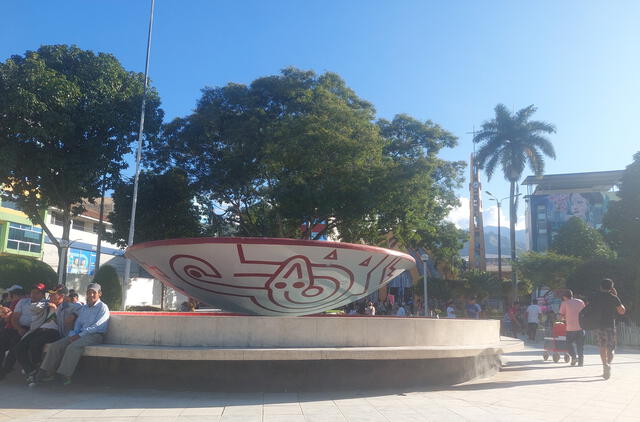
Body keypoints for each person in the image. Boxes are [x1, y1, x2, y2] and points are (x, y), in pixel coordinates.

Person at [32, 283, 110, 386]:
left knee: (73, 347)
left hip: (95, 335)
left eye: (93, 293)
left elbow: (98, 326)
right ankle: (46, 372)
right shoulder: (85, 307)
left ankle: (63, 376)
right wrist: (73, 334)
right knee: (56, 346)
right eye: (88, 292)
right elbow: (78, 323)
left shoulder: (103, 307)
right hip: (81, 334)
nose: (91, 295)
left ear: (99, 294)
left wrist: (79, 336)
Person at [0, 284, 44, 378]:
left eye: (37, 293)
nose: (33, 294)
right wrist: (19, 328)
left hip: (31, 330)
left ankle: (5, 370)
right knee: (1, 340)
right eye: (32, 292)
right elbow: (15, 317)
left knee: (14, 344)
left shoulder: (43, 304)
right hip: (17, 327)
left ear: (42, 295)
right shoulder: (23, 302)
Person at [588, 278, 625, 379]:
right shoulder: (613, 297)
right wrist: (616, 296)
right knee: (611, 347)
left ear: (600, 287)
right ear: (611, 287)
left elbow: (588, 308)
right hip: (609, 326)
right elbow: (622, 311)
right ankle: (608, 364)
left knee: (602, 346)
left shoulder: (594, 297)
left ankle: (605, 365)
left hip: (598, 326)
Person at [559, 290, 585, 366]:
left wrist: (564, 318)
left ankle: (574, 357)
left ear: (564, 297)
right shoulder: (580, 301)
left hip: (570, 328)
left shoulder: (565, 303)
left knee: (568, 344)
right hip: (581, 327)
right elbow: (584, 312)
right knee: (580, 345)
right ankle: (581, 361)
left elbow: (561, 316)